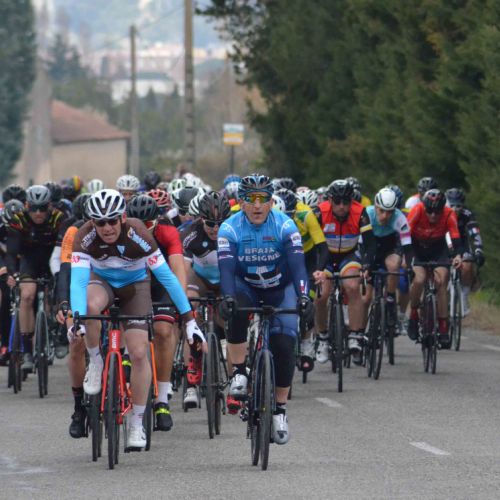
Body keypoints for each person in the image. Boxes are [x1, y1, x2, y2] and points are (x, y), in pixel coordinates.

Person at [68, 189, 205, 448]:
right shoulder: (84, 236)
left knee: (140, 353)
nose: (107, 228)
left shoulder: (138, 233)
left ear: (122, 217)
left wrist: (189, 320)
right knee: (89, 306)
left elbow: (167, 278)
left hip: (135, 287)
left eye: (112, 220)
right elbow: (78, 282)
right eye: (100, 222)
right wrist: (77, 320)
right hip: (102, 282)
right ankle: (96, 362)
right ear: (92, 222)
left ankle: (137, 423)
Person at [217, 174, 313, 445]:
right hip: (246, 285)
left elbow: (298, 267)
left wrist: (304, 297)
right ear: (241, 202)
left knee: (284, 345)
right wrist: (227, 297)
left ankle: (280, 409)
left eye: (263, 199)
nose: (257, 205)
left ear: (272, 202)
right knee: (236, 307)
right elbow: (226, 271)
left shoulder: (285, 226)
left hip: (280, 289)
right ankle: (239, 371)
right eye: (251, 199)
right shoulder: (229, 228)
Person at [314, 180, 376, 364]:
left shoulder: (360, 212)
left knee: (352, 286)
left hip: (349, 256)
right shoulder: (319, 212)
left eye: (346, 202)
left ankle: (354, 335)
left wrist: (366, 265)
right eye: (337, 202)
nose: (342, 206)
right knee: (321, 295)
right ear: (330, 200)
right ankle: (323, 337)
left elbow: (370, 243)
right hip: (325, 257)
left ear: (352, 201)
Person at [180, 191, 232, 410]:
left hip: (225, 281)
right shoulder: (191, 234)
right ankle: (191, 380)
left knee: (230, 324)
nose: (215, 228)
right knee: (189, 305)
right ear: (201, 219)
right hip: (199, 278)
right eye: (210, 223)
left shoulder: (234, 232)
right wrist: (181, 298)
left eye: (220, 223)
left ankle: (234, 383)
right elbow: (183, 271)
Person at [5, 185, 66, 370]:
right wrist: (12, 273)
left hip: (51, 261)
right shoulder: (19, 220)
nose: (38, 213)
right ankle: (27, 350)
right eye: (34, 208)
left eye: (42, 208)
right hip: (29, 262)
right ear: (27, 206)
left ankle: (57, 333)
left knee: (57, 293)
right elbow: (11, 253)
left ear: (50, 206)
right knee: (27, 295)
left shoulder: (58, 219)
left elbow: (63, 250)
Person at [407, 189, 462, 347]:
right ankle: (413, 314)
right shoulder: (417, 210)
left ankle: (443, 326)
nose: (433, 215)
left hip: (438, 249)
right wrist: (405, 257)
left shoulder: (449, 213)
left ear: (442, 209)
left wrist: (457, 255)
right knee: (419, 279)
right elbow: (405, 234)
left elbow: (455, 236)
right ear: (424, 207)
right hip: (417, 248)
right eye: (429, 211)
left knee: (441, 281)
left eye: (437, 212)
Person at [364, 188, 413, 326]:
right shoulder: (367, 214)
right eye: (382, 211)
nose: (385, 216)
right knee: (366, 298)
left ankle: (390, 298)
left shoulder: (399, 217)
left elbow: (407, 245)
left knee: (394, 265)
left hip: (389, 246)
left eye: (390, 211)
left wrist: (409, 265)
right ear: (375, 206)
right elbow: (360, 244)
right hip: (370, 246)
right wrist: (364, 264)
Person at [445, 188, 484, 315]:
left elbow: (474, 233)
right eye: (452, 205)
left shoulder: (467, 214)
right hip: (444, 241)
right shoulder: (441, 213)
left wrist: (478, 249)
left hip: (462, 243)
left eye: (459, 206)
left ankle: (464, 296)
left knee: (467, 265)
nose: (455, 209)